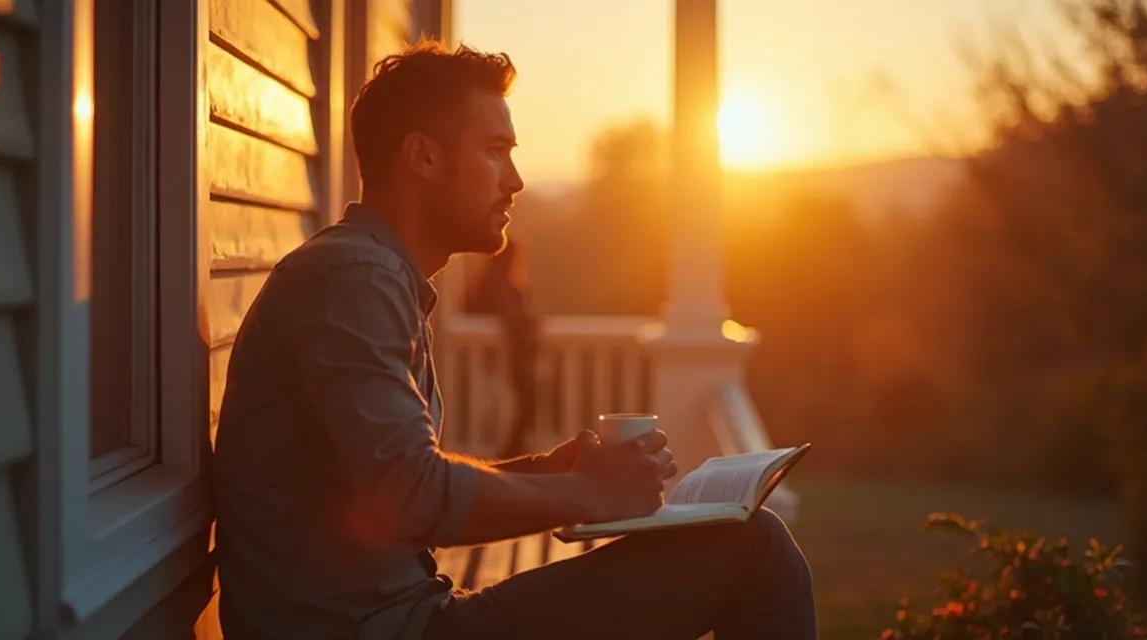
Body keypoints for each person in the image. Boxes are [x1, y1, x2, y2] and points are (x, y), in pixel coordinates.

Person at [212, 41, 816, 640]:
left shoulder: (369, 275)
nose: (517, 179)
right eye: (495, 151)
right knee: (752, 549)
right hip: (393, 630)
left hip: (402, 617)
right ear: (422, 156)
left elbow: (391, 482)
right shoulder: (353, 279)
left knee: (745, 544)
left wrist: (549, 475)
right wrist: (586, 492)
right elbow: (409, 494)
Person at [463, 240, 542, 459]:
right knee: (511, 405)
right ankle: (511, 450)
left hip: (513, 361)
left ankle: (513, 447)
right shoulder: (497, 286)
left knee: (524, 401)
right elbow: (515, 317)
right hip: (503, 361)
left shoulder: (499, 286)